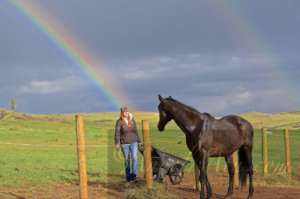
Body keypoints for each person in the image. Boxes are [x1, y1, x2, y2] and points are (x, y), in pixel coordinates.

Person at [115, 106, 141, 182]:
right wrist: (117, 143)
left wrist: (139, 140)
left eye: (126, 111)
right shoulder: (119, 121)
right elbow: (117, 133)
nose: (126, 113)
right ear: (122, 113)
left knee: (135, 158)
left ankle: (134, 175)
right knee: (127, 160)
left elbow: (136, 130)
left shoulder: (132, 120)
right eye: (124, 112)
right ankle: (128, 176)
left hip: (134, 142)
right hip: (124, 143)